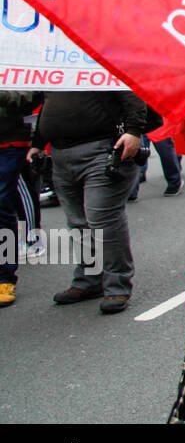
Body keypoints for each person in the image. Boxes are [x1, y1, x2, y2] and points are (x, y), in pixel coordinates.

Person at [32, 91, 147, 314]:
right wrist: (38, 142)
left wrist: (134, 130)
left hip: (102, 148)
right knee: (78, 221)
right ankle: (90, 278)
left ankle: (117, 285)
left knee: (103, 219)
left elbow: (130, 92)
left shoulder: (100, 58)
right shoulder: (53, 61)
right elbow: (44, 101)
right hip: (60, 152)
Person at [0, 90, 40, 307]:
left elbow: (31, 97)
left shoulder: (14, 57)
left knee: (2, 208)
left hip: (8, 143)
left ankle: (4, 277)